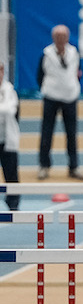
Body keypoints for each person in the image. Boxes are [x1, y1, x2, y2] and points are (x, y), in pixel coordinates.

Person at [38, 24, 83, 181]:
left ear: (67, 37)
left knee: (71, 133)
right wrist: (47, 89)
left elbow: (78, 72)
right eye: (57, 36)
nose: (60, 39)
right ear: (53, 38)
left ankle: (74, 166)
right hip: (51, 97)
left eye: (63, 36)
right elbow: (40, 75)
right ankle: (44, 166)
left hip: (70, 97)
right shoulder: (47, 53)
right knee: (46, 133)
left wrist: (73, 86)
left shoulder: (74, 52)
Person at [0, 63, 21, 211]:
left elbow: (10, 110)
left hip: (7, 140)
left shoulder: (10, 91)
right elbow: (5, 110)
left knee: (11, 174)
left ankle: (13, 205)